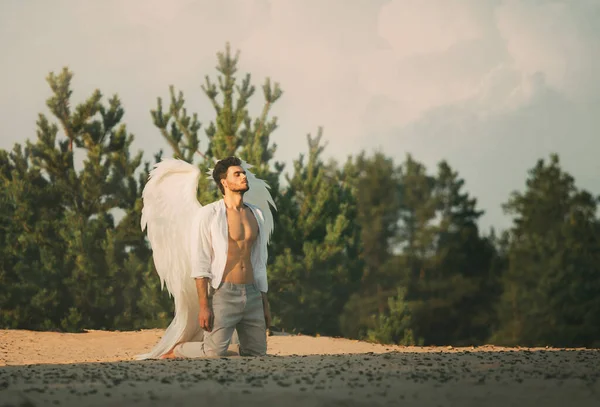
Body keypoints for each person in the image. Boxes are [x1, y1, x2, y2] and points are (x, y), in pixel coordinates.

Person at [161, 156, 272, 358]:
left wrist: (264, 302)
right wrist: (204, 306)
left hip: (253, 292)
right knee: (213, 354)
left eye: (243, 173)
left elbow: (259, 261)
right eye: (237, 174)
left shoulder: (256, 214)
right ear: (224, 182)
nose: (243, 177)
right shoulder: (209, 214)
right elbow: (201, 262)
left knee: (257, 354)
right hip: (224, 292)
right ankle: (179, 349)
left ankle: (231, 346)